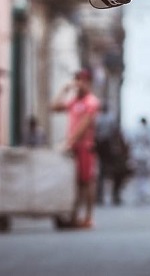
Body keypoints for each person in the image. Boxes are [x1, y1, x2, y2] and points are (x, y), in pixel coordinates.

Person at [50, 69, 100, 228]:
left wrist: (69, 142)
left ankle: (88, 217)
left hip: (84, 146)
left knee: (86, 182)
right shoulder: (74, 101)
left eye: (82, 80)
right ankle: (74, 216)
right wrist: (64, 90)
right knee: (75, 183)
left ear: (89, 83)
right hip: (73, 146)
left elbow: (84, 125)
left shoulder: (91, 101)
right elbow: (54, 107)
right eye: (77, 80)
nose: (79, 84)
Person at [130, 116, 150, 204]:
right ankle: (145, 192)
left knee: (140, 175)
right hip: (145, 155)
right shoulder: (147, 131)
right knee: (145, 175)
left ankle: (142, 192)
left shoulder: (138, 131)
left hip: (139, 154)